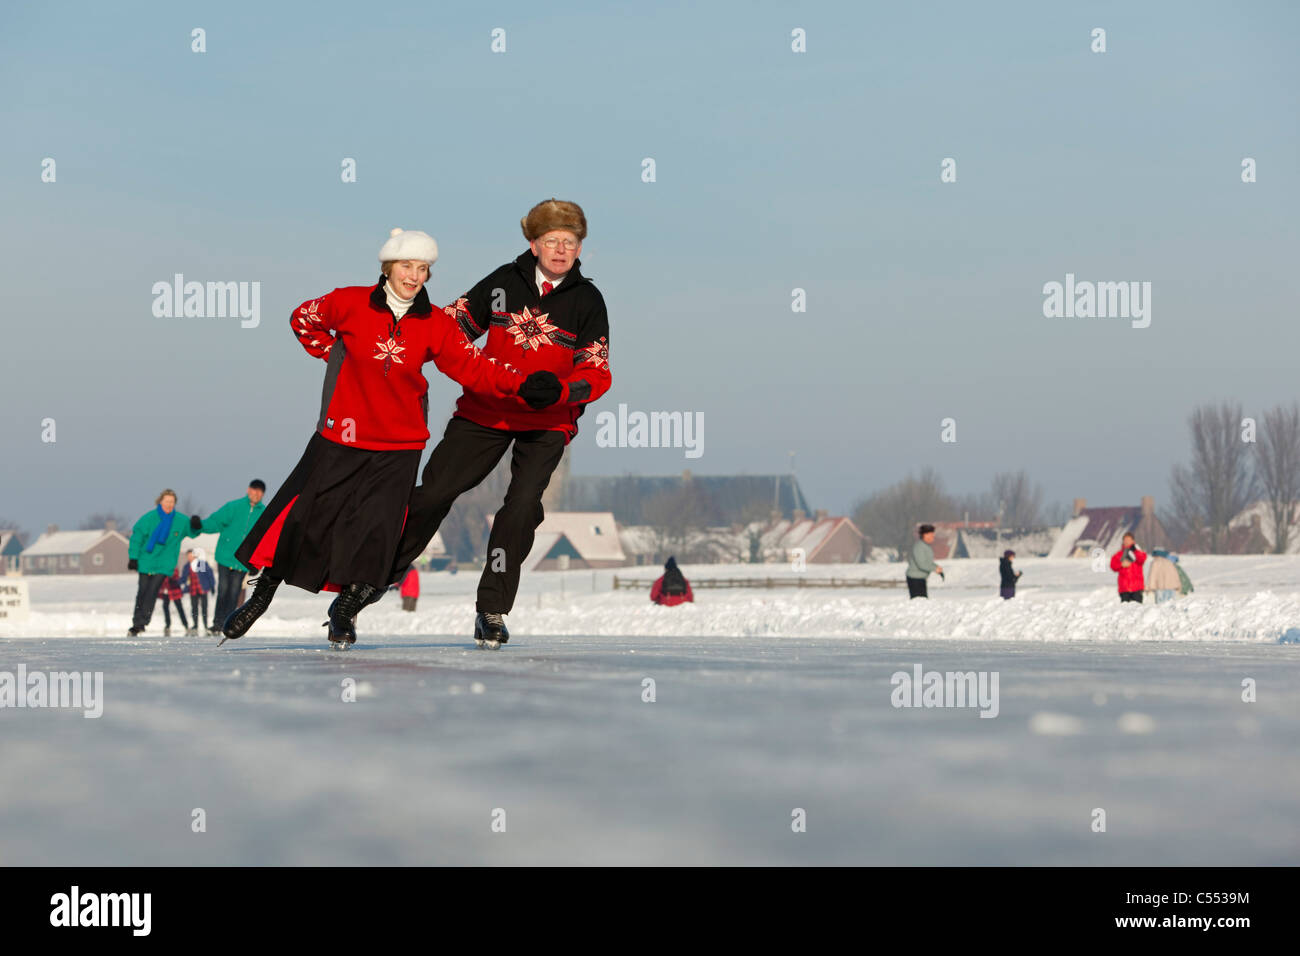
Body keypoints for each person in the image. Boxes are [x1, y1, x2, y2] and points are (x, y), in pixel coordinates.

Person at [220, 228, 547, 647]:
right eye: (407, 266)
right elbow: (302, 318)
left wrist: (522, 385)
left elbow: (475, 369)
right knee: (305, 519)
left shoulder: (436, 324)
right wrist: (335, 357)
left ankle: (344, 611)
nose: (414, 276)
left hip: (399, 444)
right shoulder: (349, 302)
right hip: (342, 435)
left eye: (423, 268)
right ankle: (262, 594)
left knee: (377, 535)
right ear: (388, 267)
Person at [382, 199, 612, 648]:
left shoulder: (588, 300)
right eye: (552, 241)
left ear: (580, 247)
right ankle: (372, 580)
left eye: (570, 241)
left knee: (522, 506)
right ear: (534, 243)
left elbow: (597, 372)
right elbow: (451, 328)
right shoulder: (504, 282)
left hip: (548, 419)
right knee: (434, 493)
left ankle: (492, 609)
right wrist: (401, 318)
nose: (561, 249)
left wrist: (562, 392)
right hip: (487, 409)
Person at [126, 489, 203, 635]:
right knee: (142, 591)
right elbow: (137, 538)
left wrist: (196, 525)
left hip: (164, 563)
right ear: (160, 501)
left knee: (152, 592)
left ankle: (143, 622)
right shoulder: (149, 518)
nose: (169, 504)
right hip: (146, 561)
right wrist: (133, 557)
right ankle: (136, 624)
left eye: (172, 502)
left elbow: (193, 532)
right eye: (166, 501)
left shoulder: (180, 520)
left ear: (175, 503)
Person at [196, 480, 266, 636]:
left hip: (242, 561)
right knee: (223, 591)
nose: (256, 494)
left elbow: (265, 540)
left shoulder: (264, 513)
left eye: (260, 491)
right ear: (249, 490)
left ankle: (227, 624)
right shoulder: (234, 507)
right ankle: (216, 624)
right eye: (254, 490)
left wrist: (257, 564)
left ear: (263, 494)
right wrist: (199, 525)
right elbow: (215, 522)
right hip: (225, 557)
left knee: (234, 593)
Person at [180, 548, 216, 634]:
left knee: (204, 608)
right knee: (194, 608)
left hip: (202, 589)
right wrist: (177, 582)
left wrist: (212, 586)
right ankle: (195, 625)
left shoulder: (202, 564)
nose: (189, 557)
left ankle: (206, 625)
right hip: (193, 590)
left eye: (190, 555)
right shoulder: (187, 566)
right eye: (188, 556)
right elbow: (184, 578)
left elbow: (209, 575)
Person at [905, 524, 943, 599]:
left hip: (920, 578)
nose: (933, 537)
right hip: (915, 579)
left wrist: (936, 567)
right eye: (931, 535)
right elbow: (921, 564)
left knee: (923, 601)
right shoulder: (919, 546)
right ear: (924, 535)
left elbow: (928, 562)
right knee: (919, 602)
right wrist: (934, 569)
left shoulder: (925, 546)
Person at [1109, 533, 1146, 603]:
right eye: (1125, 540)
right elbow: (1112, 565)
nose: (1126, 542)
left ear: (1133, 541)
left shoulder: (1138, 552)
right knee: (1125, 610)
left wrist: (1135, 550)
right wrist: (1121, 565)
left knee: (1137, 609)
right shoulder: (1119, 554)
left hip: (1137, 587)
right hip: (1124, 588)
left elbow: (1142, 559)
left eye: (1128, 540)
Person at [157, 572, 189, 636]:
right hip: (166, 590)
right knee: (165, 607)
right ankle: (168, 625)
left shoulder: (173, 568)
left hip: (174, 590)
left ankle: (185, 624)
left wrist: (174, 580)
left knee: (179, 607)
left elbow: (176, 576)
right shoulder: (162, 569)